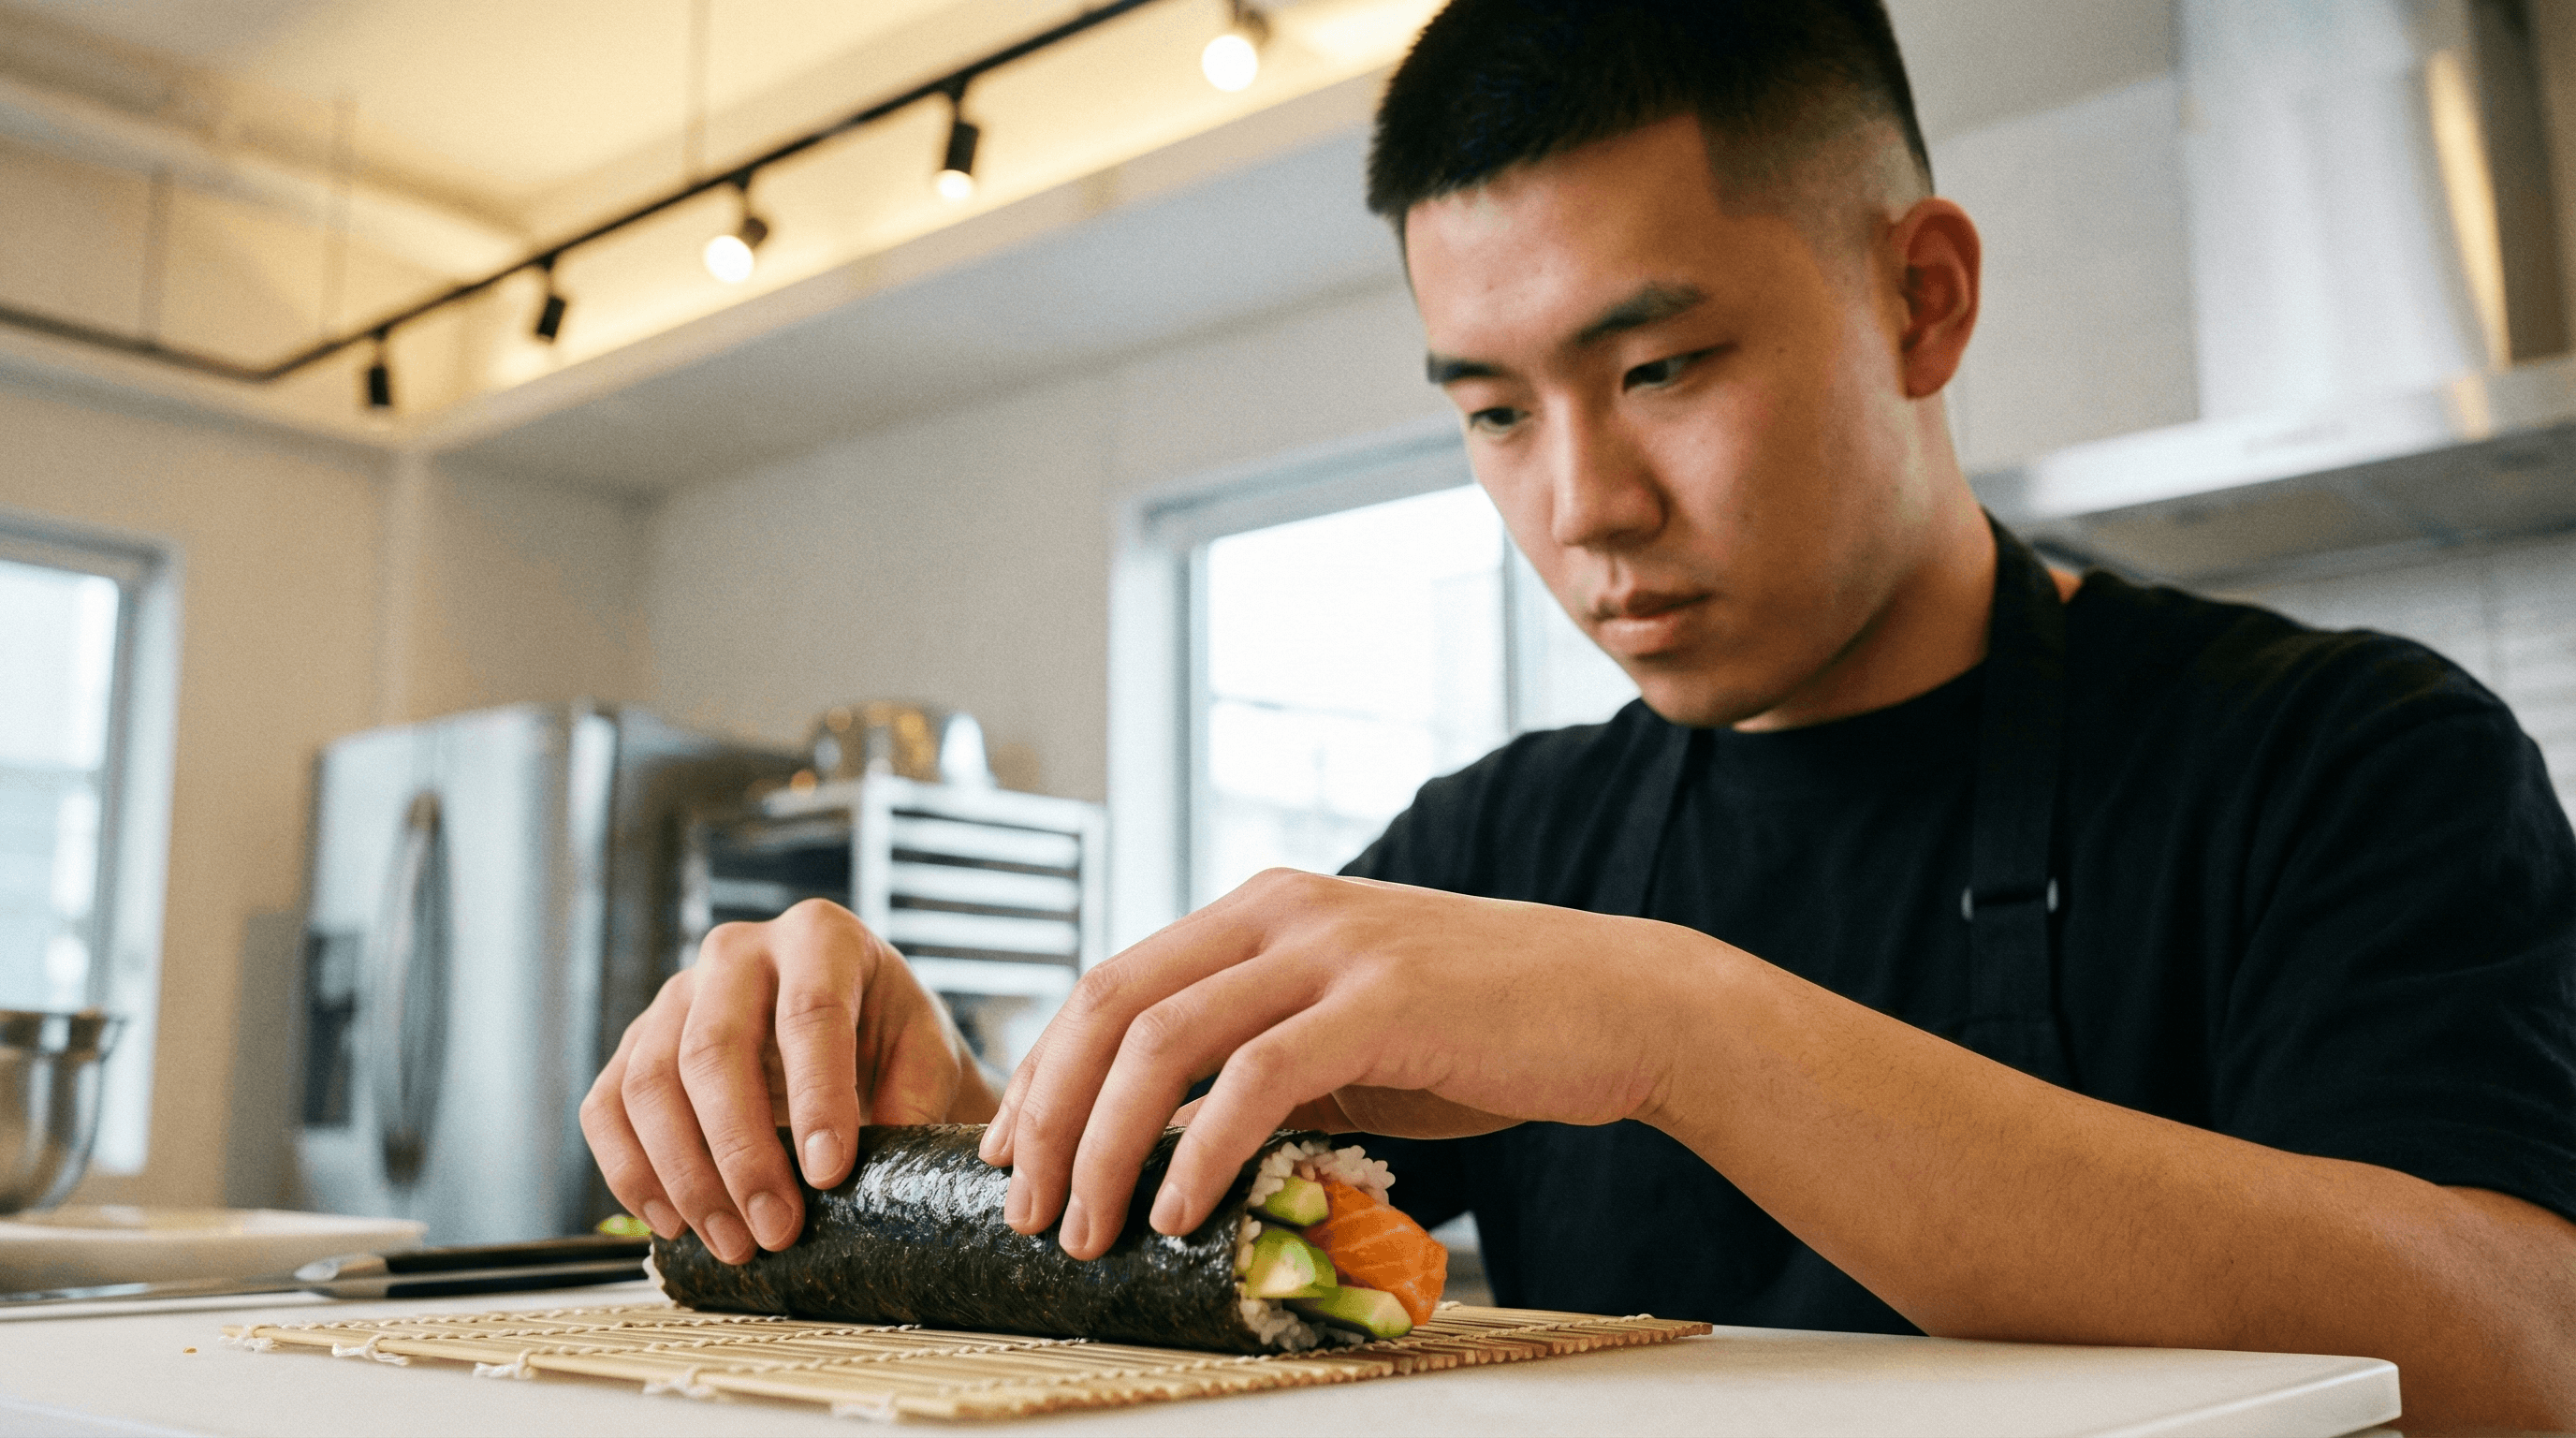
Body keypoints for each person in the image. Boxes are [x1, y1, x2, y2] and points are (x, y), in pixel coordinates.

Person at [580, 0, 2576, 1424]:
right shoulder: (1502, 842)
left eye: (1665, 366)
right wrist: (927, 1137)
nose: (1580, 505)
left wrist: (1673, 1028)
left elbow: (2518, 1349)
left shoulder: (2341, 754)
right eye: (1489, 410)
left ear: (1921, 301)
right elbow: (1144, 1217)